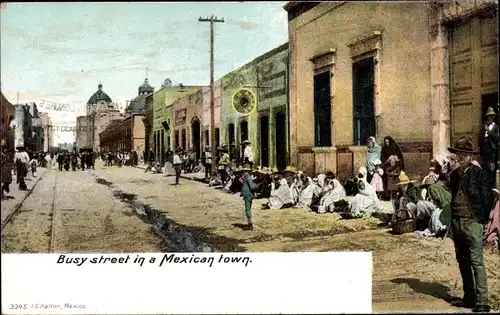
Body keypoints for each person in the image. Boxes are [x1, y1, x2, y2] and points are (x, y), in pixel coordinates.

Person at [447, 136, 492, 313]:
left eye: (463, 153)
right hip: (457, 221)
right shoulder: (454, 174)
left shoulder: (478, 173)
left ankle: (482, 301)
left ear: (469, 155)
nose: (459, 156)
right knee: (462, 260)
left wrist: (480, 219)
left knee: (477, 261)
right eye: (458, 152)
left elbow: (487, 197)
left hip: (472, 221)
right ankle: (469, 297)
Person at [480, 107, 499, 189]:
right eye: (489, 116)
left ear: (493, 117)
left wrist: (489, 131)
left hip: (491, 149)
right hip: (485, 149)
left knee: (491, 168)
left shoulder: (496, 126)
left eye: (492, 116)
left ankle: (492, 186)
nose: (490, 117)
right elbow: (481, 136)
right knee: (485, 167)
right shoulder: (484, 125)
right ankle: (486, 185)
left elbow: (497, 137)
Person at [240, 163, 256, 231]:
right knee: (247, 209)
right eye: (244, 171)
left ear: (249, 172)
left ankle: (250, 224)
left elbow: (252, 187)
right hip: (248, 195)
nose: (244, 172)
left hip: (248, 195)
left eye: (246, 171)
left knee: (247, 209)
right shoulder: (247, 178)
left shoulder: (248, 178)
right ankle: (249, 223)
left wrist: (255, 186)